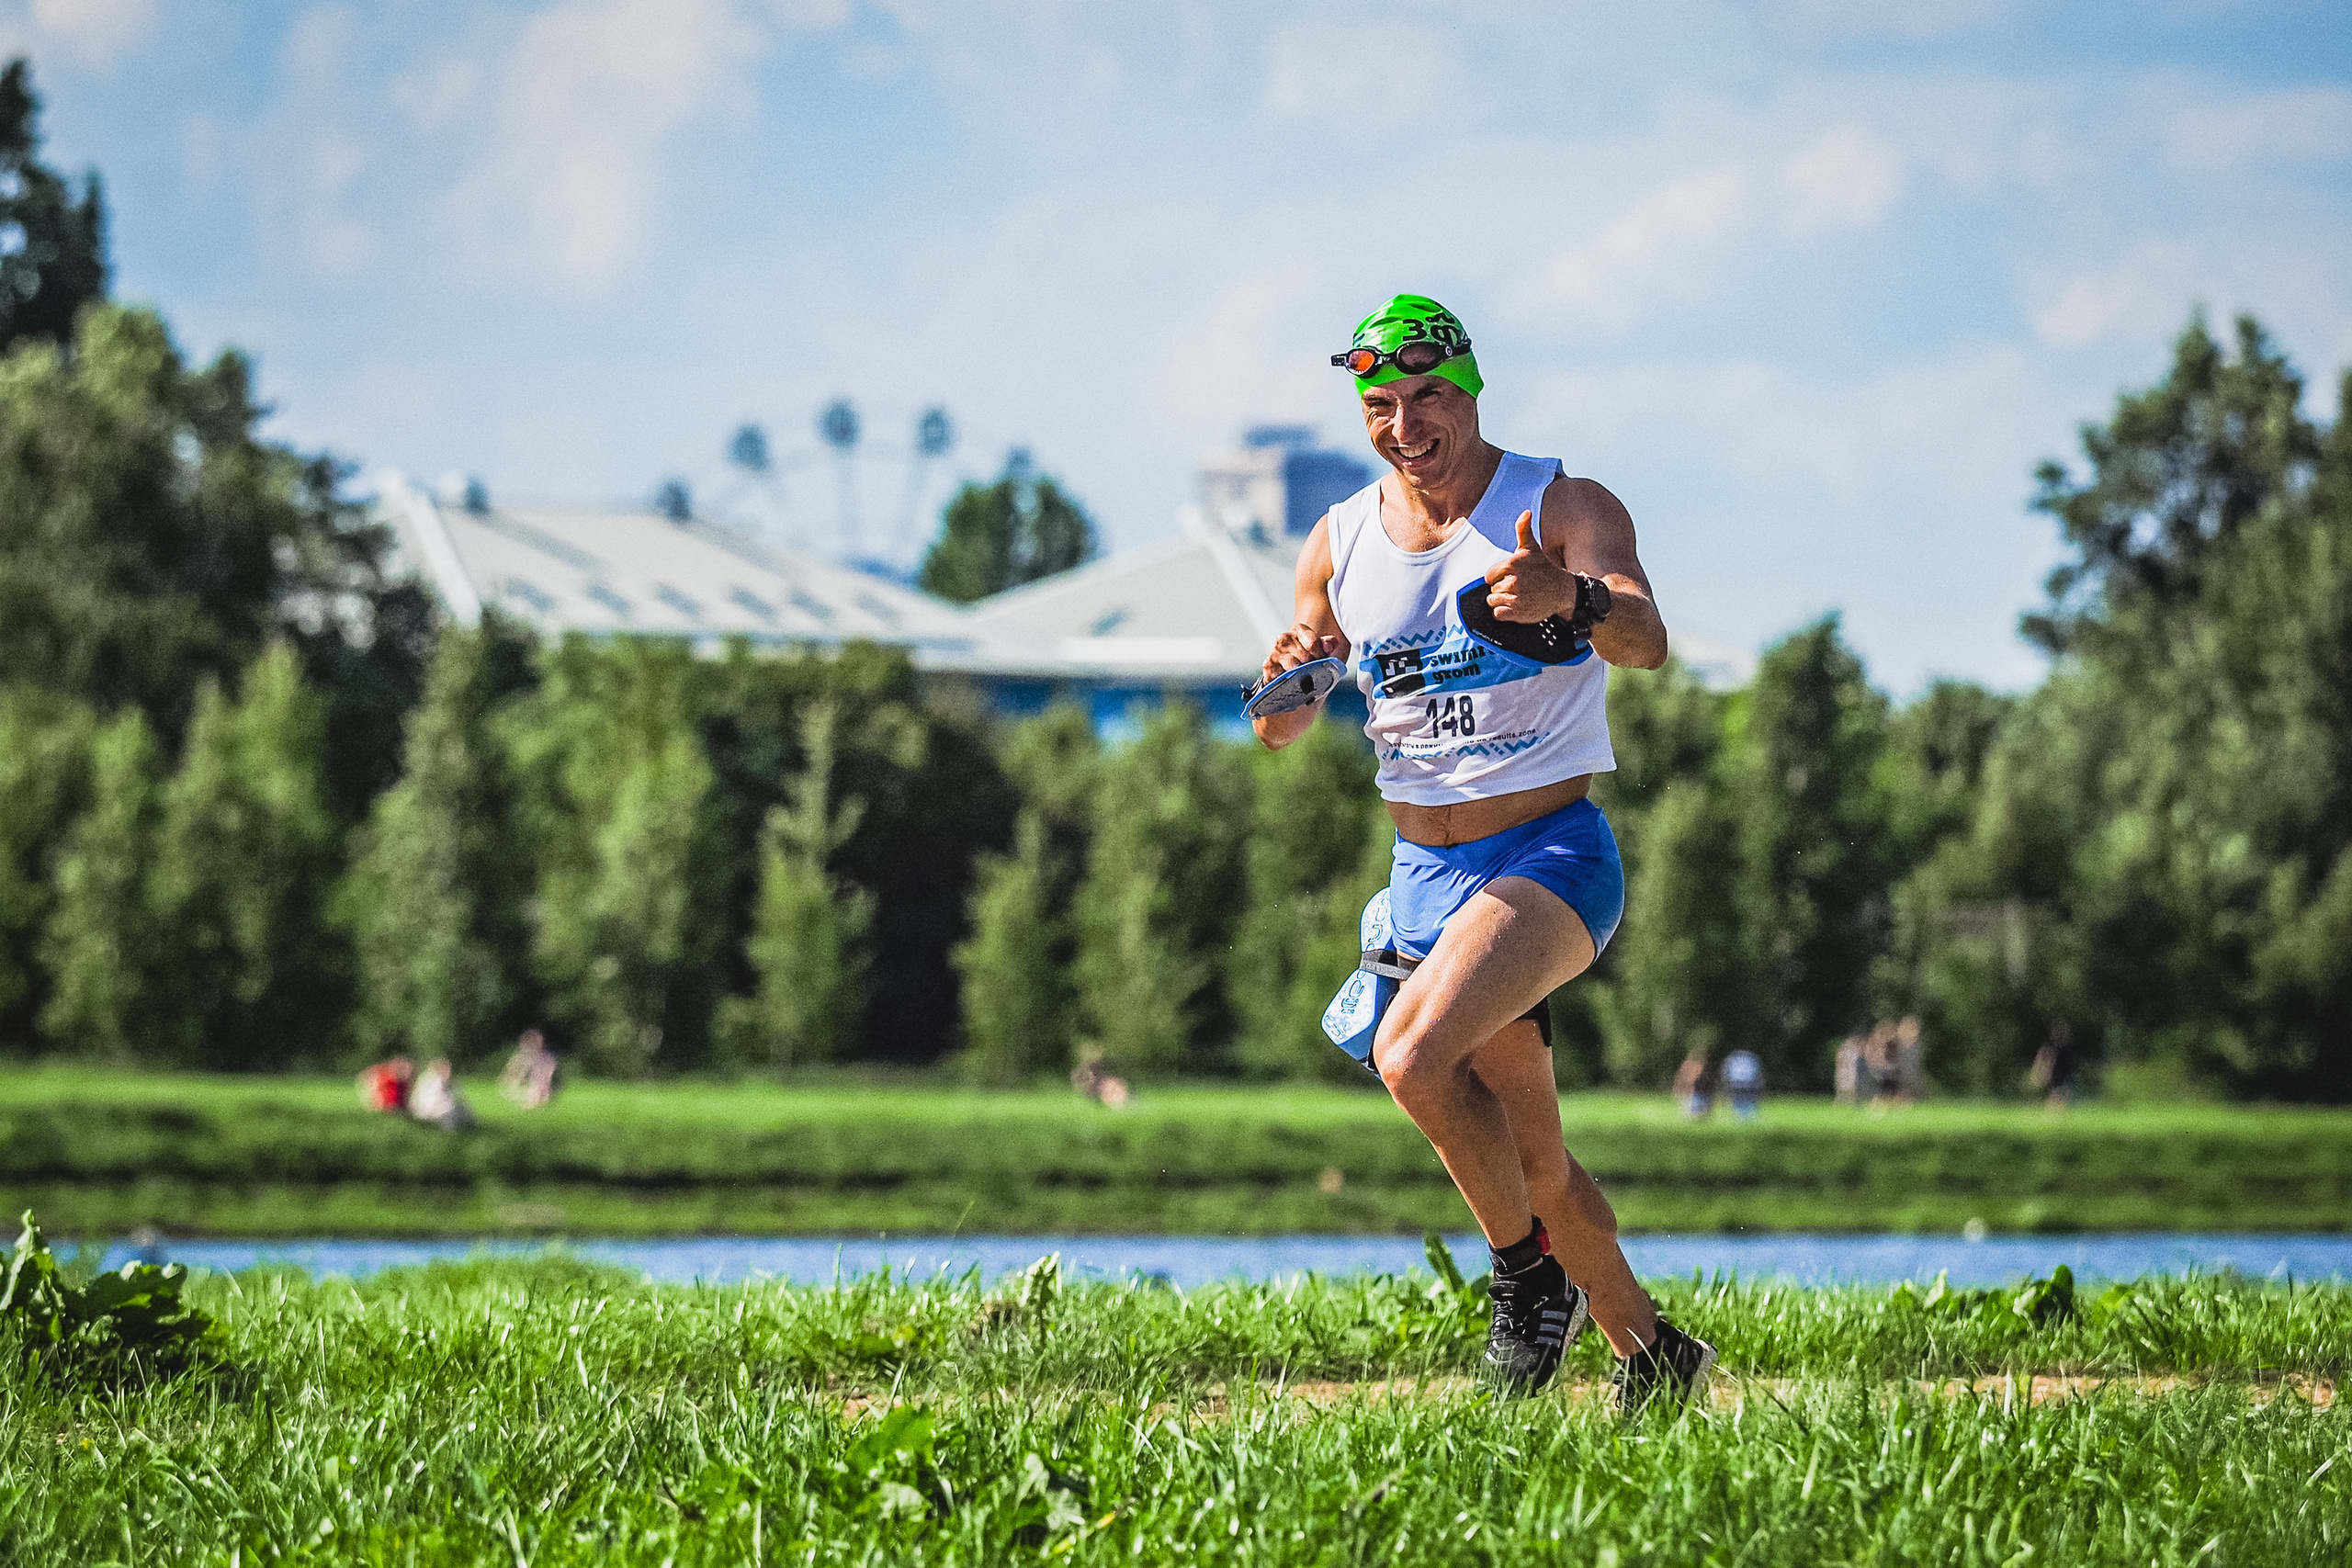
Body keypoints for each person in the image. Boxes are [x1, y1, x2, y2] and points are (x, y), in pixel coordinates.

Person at [1252, 294, 1713, 1410]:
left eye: (1427, 397)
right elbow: (1280, 727)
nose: (1404, 423)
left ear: (1469, 390)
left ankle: (1521, 1281)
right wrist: (1289, 673)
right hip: (1421, 878)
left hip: (1548, 857)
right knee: (1535, 1162)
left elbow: (1646, 641)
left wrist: (1575, 597)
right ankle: (1652, 1359)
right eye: (1381, 404)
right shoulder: (1339, 541)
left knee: (1411, 1060)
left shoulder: (1558, 503)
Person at [498, 1029, 562, 1109]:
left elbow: (543, 1075)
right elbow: (512, 1069)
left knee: (539, 1083)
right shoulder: (522, 1057)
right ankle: (536, 1098)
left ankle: (536, 1099)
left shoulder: (544, 1058)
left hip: (542, 1068)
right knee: (534, 1083)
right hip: (536, 1069)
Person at [405, 1057, 474, 1132]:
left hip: (439, 1108)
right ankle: (450, 1132)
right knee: (449, 1113)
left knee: (463, 1109)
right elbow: (430, 1101)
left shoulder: (449, 1082)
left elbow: (459, 1097)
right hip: (429, 1109)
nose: (448, 1073)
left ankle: (467, 1128)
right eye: (446, 1070)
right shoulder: (432, 1081)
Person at [1721, 1047, 1763, 1121]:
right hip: (1748, 1083)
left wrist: (1726, 1082)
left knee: (1739, 1100)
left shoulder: (1733, 1059)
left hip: (1736, 1083)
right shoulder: (1751, 1059)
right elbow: (1757, 1073)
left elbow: (1726, 1072)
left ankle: (1740, 1117)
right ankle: (1748, 1117)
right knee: (1748, 1099)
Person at [1671, 1050, 1713, 1120]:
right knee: (1692, 1107)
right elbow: (1685, 1078)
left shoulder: (1696, 1066)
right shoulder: (1690, 1066)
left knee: (1698, 1107)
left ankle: (1696, 1114)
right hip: (1693, 1090)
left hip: (1698, 1090)